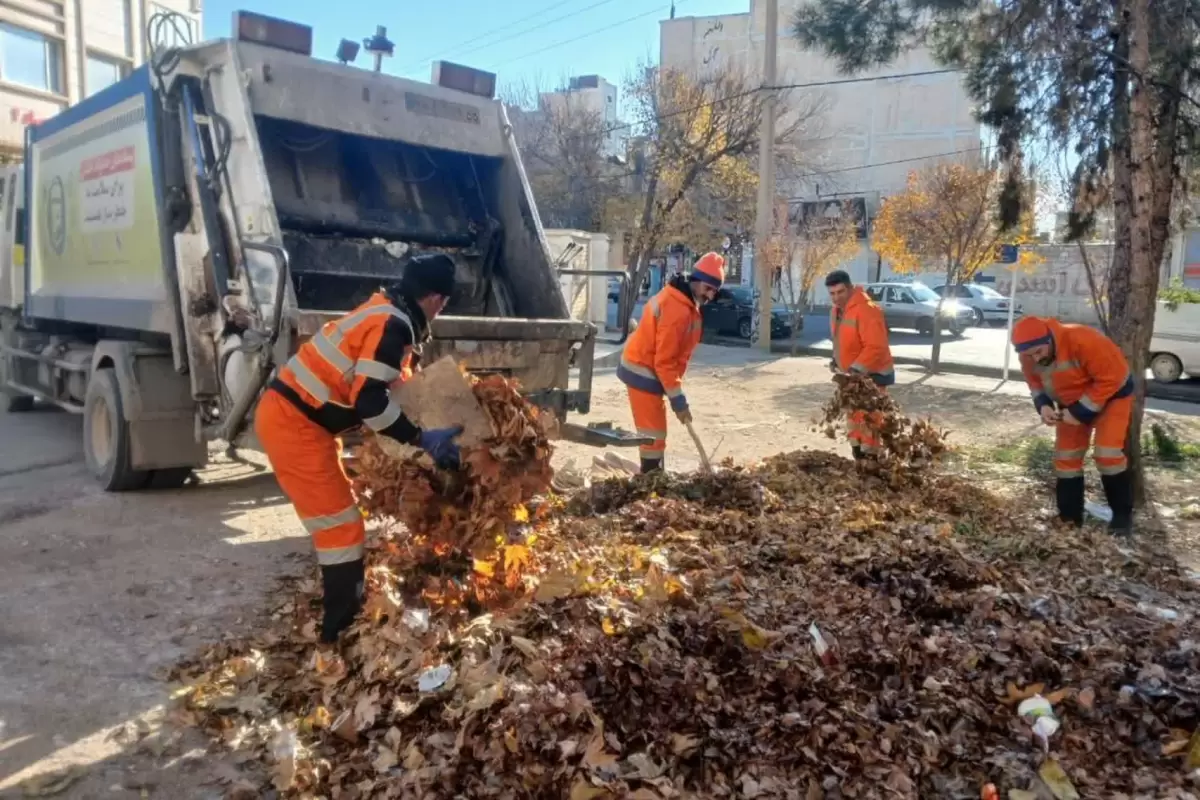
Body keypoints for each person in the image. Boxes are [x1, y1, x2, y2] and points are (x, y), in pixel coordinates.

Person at [254, 253, 466, 643]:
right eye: (445, 302)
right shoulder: (393, 325)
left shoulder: (385, 309)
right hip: (293, 424)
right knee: (341, 527)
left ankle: (344, 613)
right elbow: (370, 401)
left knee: (342, 519)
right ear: (437, 299)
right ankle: (339, 630)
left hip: (304, 421)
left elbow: (392, 387)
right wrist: (421, 439)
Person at [1012, 315, 1134, 535]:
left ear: (1049, 339)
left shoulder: (1081, 339)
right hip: (1070, 404)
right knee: (1066, 458)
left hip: (1113, 397)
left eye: (1039, 352)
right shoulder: (1027, 356)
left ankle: (1122, 518)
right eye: (1029, 355)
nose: (1036, 359)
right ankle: (1070, 519)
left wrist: (1081, 412)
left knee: (1107, 454)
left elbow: (1112, 378)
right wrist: (1044, 406)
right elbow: (1035, 383)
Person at [617, 252, 724, 473]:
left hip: (649, 371)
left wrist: (674, 391)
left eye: (714, 290)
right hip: (642, 373)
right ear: (695, 280)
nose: (710, 295)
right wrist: (678, 399)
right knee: (653, 434)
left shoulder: (684, 302)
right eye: (708, 288)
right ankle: (651, 480)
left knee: (655, 433)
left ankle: (655, 475)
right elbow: (664, 362)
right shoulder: (677, 309)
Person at [825, 270, 894, 459]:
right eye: (832, 293)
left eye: (840, 292)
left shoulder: (867, 310)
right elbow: (841, 340)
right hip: (852, 376)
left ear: (850, 288)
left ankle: (872, 461)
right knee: (854, 419)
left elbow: (876, 346)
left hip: (873, 375)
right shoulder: (836, 311)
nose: (836, 298)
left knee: (869, 421)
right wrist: (836, 360)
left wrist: (856, 370)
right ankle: (858, 456)